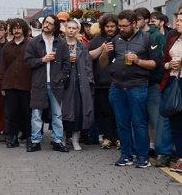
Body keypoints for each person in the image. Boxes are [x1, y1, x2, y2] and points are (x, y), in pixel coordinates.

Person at [99, 9, 160, 168]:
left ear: (134, 24)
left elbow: (154, 64)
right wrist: (104, 53)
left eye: (125, 26)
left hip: (137, 87)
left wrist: (138, 61)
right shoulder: (116, 39)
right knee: (122, 123)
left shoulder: (147, 39)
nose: (121, 29)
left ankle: (142, 157)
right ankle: (126, 155)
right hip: (117, 87)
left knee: (139, 123)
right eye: (120, 26)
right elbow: (103, 64)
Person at [24, 14, 71, 153]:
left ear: (55, 26)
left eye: (50, 23)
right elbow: (27, 61)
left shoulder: (61, 42)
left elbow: (67, 63)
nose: (47, 25)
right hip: (39, 83)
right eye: (46, 22)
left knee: (57, 114)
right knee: (36, 114)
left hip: (56, 84)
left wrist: (62, 78)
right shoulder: (34, 42)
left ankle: (58, 141)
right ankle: (35, 141)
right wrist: (42, 60)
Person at [134, 7, 172, 164]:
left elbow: (161, 62)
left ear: (146, 19)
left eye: (138, 19)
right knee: (143, 120)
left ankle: (162, 151)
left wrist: (158, 82)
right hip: (138, 84)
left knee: (158, 120)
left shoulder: (157, 36)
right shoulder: (135, 36)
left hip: (153, 84)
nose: (136, 23)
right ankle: (149, 147)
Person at [0, 19, 32, 148]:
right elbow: (3, 67)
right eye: (14, 29)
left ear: (23, 29)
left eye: (19, 28)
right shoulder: (7, 46)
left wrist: (33, 86)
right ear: (11, 30)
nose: (16, 31)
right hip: (10, 85)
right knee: (12, 114)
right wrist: (2, 85)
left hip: (26, 85)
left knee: (26, 113)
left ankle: (29, 138)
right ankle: (13, 138)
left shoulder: (30, 45)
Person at [88, 14, 119, 149]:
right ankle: (107, 137)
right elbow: (88, 56)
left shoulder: (121, 39)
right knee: (105, 111)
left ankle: (118, 137)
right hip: (101, 82)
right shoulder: (96, 39)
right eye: (107, 26)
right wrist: (101, 49)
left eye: (113, 26)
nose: (110, 29)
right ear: (103, 27)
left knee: (117, 112)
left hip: (118, 82)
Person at [62, 20, 94, 151]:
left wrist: (89, 81)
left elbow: (88, 65)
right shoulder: (60, 44)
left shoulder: (82, 46)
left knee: (78, 110)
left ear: (77, 30)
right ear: (65, 28)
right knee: (63, 110)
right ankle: (62, 137)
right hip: (64, 83)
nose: (71, 30)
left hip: (79, 82)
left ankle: (75, 138)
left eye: (73, 28)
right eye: (69, 27)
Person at [160, 9, 182, 172]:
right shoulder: (173, 39)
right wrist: (169, 65)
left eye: (181, 20)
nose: (178, 23)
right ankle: (180, 159)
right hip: (173, 83)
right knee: (175, 124)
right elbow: (164, 62)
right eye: (177, 20)